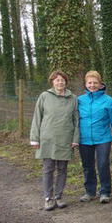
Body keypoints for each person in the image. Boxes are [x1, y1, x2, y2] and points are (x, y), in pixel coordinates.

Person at [30, 70, 79, 211]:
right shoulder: (44, 96)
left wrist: (75, 138)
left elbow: (76, 120)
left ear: (66, 82)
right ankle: (48, 198)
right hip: (47, 139)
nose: (60, 82)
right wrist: (35, 138)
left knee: (62, 169)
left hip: (66, 139)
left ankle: (58, 196)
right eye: (57, 80)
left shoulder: (72, 98)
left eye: (62, 80)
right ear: (52, 82)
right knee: (48, 169)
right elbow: (37, 117)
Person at [77, 70, 112, 204]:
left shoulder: (108, 100)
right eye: (89, 83)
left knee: (102, 164)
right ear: (85, 84)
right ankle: (90, 192)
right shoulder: (79, 100)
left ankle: (105, 192)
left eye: (95, 83)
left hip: (103, 138)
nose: (92, 85)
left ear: (101, 84)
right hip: (84, 139)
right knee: (87, 166)